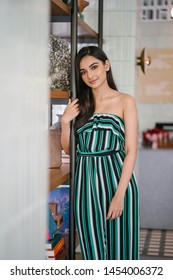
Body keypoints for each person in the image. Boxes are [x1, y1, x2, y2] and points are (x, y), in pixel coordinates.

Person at [61, 46, 139, 260]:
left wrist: (120, 195)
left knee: (122, 254)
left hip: (117, 184)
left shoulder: (125, 101)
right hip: (85, 187)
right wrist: (65, 121)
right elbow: (70, 150)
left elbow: (131, 151)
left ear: (106, 65)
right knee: (92, 254)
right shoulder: (80, 104)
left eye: (93, 67)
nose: (90, 75)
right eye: (83, 72)